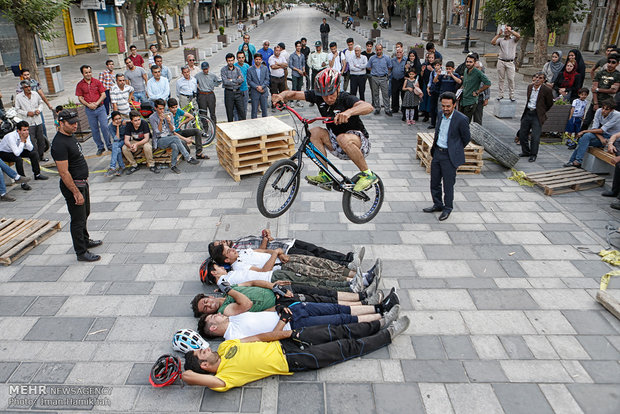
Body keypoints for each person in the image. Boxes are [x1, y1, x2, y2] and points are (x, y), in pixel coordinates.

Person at [182, 317, 410, 391]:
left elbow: (260, 337)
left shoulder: (224, 347)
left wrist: (286, 333)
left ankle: (380, 322)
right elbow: (188, 377)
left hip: (288, 341)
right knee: (345, 348)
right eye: (202, 352)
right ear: (203, 366)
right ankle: (388, 334)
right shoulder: (224, 379)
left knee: (338, 330)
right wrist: (179, 371)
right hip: (294, 360)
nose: (205, 347)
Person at [272, 68, 377, 192]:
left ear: (338, 88)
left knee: (342, 137)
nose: (327, 98)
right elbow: (293, 94)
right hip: (337, 141)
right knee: (314, 132)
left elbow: (368, 107)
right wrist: (281, 96)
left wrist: (349, 112)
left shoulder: (345, 98)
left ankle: (367, 174)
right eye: (324, 95)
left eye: (331, 93)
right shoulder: (319, 97)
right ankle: (325, 174)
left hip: (358, 142)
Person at [51, 110, 102, 262]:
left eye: (75, 122)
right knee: (77, 220)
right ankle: (81, 251)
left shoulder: (70, 136)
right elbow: (64, 172)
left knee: (84, 214)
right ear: (61, 123)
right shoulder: (59, 144)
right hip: (73, 186)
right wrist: (75, 192)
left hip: (82, 183)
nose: (75, 125)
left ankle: (85, 240)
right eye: (71, 123)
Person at [423, 92, 470, 221]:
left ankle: (447, 208)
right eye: (443, 106)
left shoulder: (461, 119)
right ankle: (437, 204)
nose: (445, 109)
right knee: (434, 182)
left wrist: (454, 150)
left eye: (448, 106)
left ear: (454, 105)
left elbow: (466, 138)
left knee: (448, 185)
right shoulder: (440, 114)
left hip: (449, 156)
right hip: (437, 152)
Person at [149, 99, 200, 174]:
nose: (162, 111)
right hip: (160, 140)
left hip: (169, 137)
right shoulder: (152, 118)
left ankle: (173, 166)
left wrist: (169, 122)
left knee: (175, 146)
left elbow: (173, 130)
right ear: (156, 108)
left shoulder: (168, 114)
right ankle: (188, 157)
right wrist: (160, 121)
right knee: (176, 138)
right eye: (160, 109)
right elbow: (157, 133)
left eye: (163, 108)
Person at [564, 100, 620, 168]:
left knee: (584, 138)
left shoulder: (617, 115)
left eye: (606, 109)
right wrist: (600, 138)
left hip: (613, 138)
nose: (603, 111)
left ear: (611, 110)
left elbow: (602, 130)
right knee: (585, 137)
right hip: (602, 135)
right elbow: (594, 128)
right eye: (603, 108)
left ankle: (573, 161)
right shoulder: (599, 111)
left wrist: (584, 131)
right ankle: (578, 161)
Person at [75, 65, 112, 156]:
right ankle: (100, 147)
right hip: (89, 110)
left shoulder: (97, 82)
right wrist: (88, 105)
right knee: (94, 130)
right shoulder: (80, 85)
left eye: (89, 72)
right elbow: (80, 98)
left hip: (100, 108)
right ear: (83, 73)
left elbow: (103, 94)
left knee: (104, 127)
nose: (88, 74)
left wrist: (96, 103)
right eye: (86, 72)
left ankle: (109, 145)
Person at [519, 72, 554, 162]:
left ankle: (533, 154)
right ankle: (525, 151)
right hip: (528, 112)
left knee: (535, 136)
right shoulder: (530, 87)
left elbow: (549, 103)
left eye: (540, 78)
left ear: (544, 80)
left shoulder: (547, 90)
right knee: (522, 134)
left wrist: (541, 111)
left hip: (537, 115)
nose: (538, 79)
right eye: (537, 77)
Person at [0, 120, 47, 188]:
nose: (26, 132)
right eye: (24, 130)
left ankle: (37, 174)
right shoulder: (11, 137)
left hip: (16, 150)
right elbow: (16, 153)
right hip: (4, 152)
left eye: (27, 129)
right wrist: (22, 141)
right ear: (18, 131)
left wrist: (25, 140)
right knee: (18, 159)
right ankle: (23, 182)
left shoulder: (26, 135)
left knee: (33, 153)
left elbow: (30, 148)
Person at [581, 54, 620, 130]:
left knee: (601, 124)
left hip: (607, 103)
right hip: (595, 101)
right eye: (609, 62)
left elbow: (613, 90)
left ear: (617, 64)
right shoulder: (600, 73)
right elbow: (594, 89)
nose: (610, 64)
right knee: (586, 122)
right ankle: (579, 138)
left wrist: (598, 89)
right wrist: (595, 103)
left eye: (613, 62)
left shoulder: (617, 75)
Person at [14, 80, 49, 162]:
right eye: (26, 87)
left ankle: (41, 156)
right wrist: (26, 113)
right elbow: (17, 109)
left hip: (38, 120)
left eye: (29, 86)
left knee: (41, 140)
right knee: (32, 141)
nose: (28, 88)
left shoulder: (35, 94)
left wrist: (39, 110)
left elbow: (41, 103)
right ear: (23, 88)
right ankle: (35, 157)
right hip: (28, 122)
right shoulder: (19, 97)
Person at [15, 69, 54, 139]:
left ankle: (45, 141)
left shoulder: (34, 82)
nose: (26, 76)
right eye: (25, 75)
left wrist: (48, 104)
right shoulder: (20, 85)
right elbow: (19, 99)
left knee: (42, 125)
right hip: (26, 110)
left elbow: (41, 95)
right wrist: (26, 112)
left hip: (36, 108)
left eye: (28, 74)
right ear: (22, 76)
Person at [459, 53, 491, 123]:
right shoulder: (465, 70)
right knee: (461, 120)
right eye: (467, 62)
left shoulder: (478, 72)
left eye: (470, 62)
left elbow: (488, 83)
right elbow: (464, 83)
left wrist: (478, 92)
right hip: (463, 100)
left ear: (474, 63)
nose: (468, 64)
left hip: (471, 101)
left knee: (469, 121)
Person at [491, 25, 520, 101]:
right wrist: (498, 34)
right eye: (505, 30)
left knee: (511, 79)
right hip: (501, 61)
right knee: (501, 79)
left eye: (508, 30)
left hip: (510, 62)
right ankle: (501, 94)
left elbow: (518, 36)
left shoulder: (513, 39)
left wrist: (511, 31)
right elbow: (493, 42)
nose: (506, 31)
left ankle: (512, 95)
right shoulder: (501, 40)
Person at [123, 110, 156, 175]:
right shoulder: (129, 125)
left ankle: (151, 164)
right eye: (135, 120)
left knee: (147, 146)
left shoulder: (144, 123)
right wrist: (131, 146)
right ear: (131, 121)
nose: (138, 122)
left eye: (139, 119)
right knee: (124, 148)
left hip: (145, 140)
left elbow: (146, 138)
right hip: (135, 140)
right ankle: (134, 165)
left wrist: (136, 144)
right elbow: (126, 140)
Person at [367, 44, 392, 115]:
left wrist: (386, 73)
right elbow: (368, 66)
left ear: (382, 49)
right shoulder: (372, 58)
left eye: (380, 49)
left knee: (385, 94)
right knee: (375, 94)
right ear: (375, 50)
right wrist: (374, 71)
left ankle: (387, 109)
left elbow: (390, 66)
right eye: (377, 50)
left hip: (383, 78)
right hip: (374, 77)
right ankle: (377, 108)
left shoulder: (386, 58)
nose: (379, 51)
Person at [220, 53, 246, 122]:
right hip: (229, 92)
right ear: (226, 61)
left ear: (234, 60)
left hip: (238, 92)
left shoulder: (237, 69)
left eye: (231, 60)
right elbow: (225, 82)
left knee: (242, 112)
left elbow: (242, 79)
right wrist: (236, 81)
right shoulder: (223, 70)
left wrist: (231, 80)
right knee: (229, 113)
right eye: (229, 61)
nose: (230, 62)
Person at [195, 62, 220, 126]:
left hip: (210, 94)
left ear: (208, 68)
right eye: (204, 69)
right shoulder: (198, 75)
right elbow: (193, 82)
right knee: (203, 113)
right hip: (202, 94)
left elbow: (219, 81)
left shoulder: (212, 75)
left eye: (206, 69)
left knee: (212, 112)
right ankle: (205, 127)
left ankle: (214, 126)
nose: (205, 70)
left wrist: (214, 85)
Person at [247, 54, 271, 118]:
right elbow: (249, 81)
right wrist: (257, 87)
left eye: (259, 59)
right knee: (254, 110)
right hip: (255, 91)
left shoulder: (265, 68)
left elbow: (267, 79)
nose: (258, 61)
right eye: (256, 59)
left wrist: (262, 86)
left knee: (264, 110)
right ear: (254, 60)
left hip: (263, 91)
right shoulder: (250, 69)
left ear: (261, 60)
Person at [307, 41, 329, 107]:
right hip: (315, 71)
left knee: (323, 85)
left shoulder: (325, 54)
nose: (318, 48)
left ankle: (323, 100)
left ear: (321, 46)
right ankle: (312, 101)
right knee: (313, 86)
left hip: (322, 71)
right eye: (316, 46)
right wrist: (312, 67)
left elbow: (328, 61)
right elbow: (309, 62)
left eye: (319, 46)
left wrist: (326, 63)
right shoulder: (312, 54)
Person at [105, 111, 126, 177]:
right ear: (113, 120)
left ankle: (112, 167)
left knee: (114, 145)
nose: (118, 120)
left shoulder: (124, 122)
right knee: (117, 148)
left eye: (119, 118)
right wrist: (117, 127)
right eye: (116, 119)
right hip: (119, 142)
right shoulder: (110, 126)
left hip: (126, 140)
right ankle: (121, 166)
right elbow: (117, 139)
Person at [269, 45, 288, 111]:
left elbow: (286, 65)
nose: (277, 52)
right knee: (274, 92)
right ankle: (274, 105)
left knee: (282, 92)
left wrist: (278, 64)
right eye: (276, 50)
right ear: (274, 51)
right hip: (274, 78)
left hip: (281, 77)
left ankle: (281, 104)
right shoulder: (271, 58)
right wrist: (281, 65)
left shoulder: (282, 57)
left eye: (279, 50)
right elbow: (273, 67)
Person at [233, 51, 251, 121]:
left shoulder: (247, 66)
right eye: (239, 58)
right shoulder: (234, 66)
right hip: (237, 90)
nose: (241, 59)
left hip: (245, 89)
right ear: (237, 58)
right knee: (236, 109)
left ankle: (243, 121)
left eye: (242, 57)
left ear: (244, 58)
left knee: (244, 108)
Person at [419, 52, 436, 121]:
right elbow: (421, 76)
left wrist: (432, 70)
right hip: (425, 84)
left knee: (431, 101)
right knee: (425, 100)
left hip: (433, 86)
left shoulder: (435, 65)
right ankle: (425, 114)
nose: (431, 59)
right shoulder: (424, 65)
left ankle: (431, 114)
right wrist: (422, 71)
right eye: (429, 58)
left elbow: (438, 74)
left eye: (432, 58)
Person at [289, 41, 306, 107]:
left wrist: (303, 70)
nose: (299, 47)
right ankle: (291, 101)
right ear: (295, 47)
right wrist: (298, 70)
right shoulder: (292, 55)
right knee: (294, 87)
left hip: (301, 74)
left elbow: (303, 64)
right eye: (297, 46)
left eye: (300, 46)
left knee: (299, 88)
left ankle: (298, 100)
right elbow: (290, 65)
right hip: (295, 74)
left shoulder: (302, 55)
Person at [427, 60, 443, 128]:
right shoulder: (432, 72)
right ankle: (432, 123)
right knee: (432, 107)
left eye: (437, 65)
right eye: (435, 65)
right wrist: (428, 88)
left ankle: (439, 123)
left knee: (439, 108)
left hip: (440, 91)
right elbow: (430, 81)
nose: (436, 67)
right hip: (433, 91)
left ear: (440, 65)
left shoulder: (442, 73)